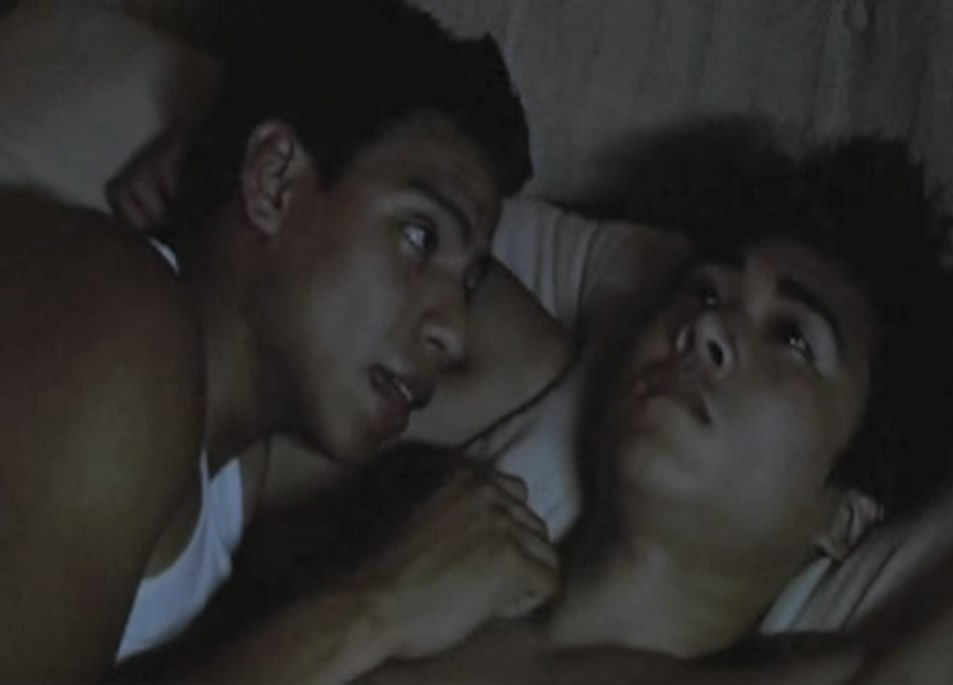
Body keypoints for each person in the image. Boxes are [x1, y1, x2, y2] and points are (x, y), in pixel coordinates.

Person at [0, 2, 575, 682]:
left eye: (470, 284)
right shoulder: (114, 321)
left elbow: (529, 362)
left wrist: (223, 144)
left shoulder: (233, 471)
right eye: (419, 235)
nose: (452, 331)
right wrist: (374, 609)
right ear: (273, 181)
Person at [264, 132, 953, 684]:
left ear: (848, 516)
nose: (707, 327)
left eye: (790, 336)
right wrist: (375, 605)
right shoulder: (410, 532)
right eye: (705, 292)